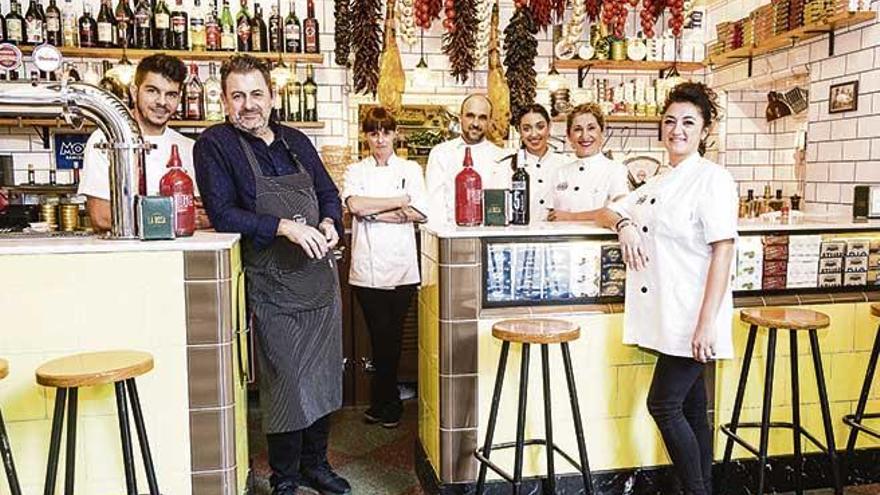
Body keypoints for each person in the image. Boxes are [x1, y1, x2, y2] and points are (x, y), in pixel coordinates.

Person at [192, 55, 349, 495]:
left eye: (256, 94)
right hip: (273, 283)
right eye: (237, 95)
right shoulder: (214, 145)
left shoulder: (296, 140)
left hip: (318, 281)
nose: (248, 104)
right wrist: (285, 227)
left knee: (322, 376)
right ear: (224, 101)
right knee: (285, 382)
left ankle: (317, 465)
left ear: (272, 97)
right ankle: (285, 476)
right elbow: (223, 214)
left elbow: (327, 193)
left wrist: (329, 224)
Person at [598, 82, 737, 495]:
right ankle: (703, 487)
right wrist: (622, 225)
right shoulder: (662, 180)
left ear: (704, 131)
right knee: (693, 409)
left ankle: (697, 492)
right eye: (670, 121)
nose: (677, 129)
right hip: (670, 313)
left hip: (694, 314)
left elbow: (723, 250)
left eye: (688, 122)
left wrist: (706, 324)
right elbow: (613, 209)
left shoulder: (713, 179)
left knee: (663, 404)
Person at [342, 107, 428, 428]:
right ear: (366, 136)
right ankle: (388, 402)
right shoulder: (356, 170)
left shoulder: (410, 169)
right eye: (373, 132)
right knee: (380, 335)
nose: (380, 139)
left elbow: (421, 211)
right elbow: (355, 205)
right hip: (367, 269)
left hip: (403, 266)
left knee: (390, 336)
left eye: (385, 132)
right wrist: (398, 201)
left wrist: (374, 212)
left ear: (395, 134)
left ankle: (386, 403)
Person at [79, 53, 201, 231]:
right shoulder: (107, 140)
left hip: (177, 255)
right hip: (130, 255)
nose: (162, 102)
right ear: (134, 92)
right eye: (152, 91)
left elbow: (202, 215)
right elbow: (101, 216)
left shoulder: (188, 147)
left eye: (171, 95)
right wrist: (175, 217)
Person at [425, 94, 507, 224]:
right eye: (470, 116)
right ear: (460, 118)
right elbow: (435, 206)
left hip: (490, 235)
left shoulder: (501, 157)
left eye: (482, 118)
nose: (475, 123)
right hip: (451, 235)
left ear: (490, 121)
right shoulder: (440, 153)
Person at [547, 103, 628, 222]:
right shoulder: (560, 172)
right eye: (578, 129)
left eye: (591, 128)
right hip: (563, 238)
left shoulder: (616, 170)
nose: (585, 136)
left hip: (600, 240)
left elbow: (619, 211)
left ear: (602, 133)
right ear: (569, 136)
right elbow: (552, 215)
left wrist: (570, 217)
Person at [502, 104, 567, 222]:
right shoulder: (506, 167)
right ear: (518, 130)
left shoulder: (565, 164)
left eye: (540, 127)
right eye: (526, 129)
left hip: (558, 236)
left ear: (549, 126)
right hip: (519, 236)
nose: (534, 134)